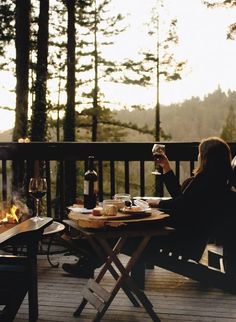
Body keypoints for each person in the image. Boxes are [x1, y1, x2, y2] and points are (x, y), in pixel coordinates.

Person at [62, 136, 234, 277]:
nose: (197, 157)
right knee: (125, 229)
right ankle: (87, 258)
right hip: (181, 234)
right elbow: (182, 199)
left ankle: (87, 247)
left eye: (199, 153)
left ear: (206, 158)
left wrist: (156, 202)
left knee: (126, 233)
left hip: (178, 239)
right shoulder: (214, 183)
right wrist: (166, 168)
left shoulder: (206, 182)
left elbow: (181, 203)